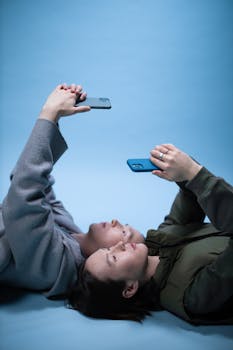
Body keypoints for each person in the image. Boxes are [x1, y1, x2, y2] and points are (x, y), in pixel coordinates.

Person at [0, 84, 144, 298]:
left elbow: (24, 194)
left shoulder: (56, 266)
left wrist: (48, 114)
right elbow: (40, 188)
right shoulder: (71, 231)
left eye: (123, 233)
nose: (115, 221)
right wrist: (56, 119)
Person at [68, 145, 233, 325]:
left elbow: (190, 193)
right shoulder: (192, 295)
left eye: (108, 248)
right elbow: (196, 178)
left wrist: (178, 168)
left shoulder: (160, 240)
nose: (119, 245)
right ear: (130, 288)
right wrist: (193, 172)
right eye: (114, 258)